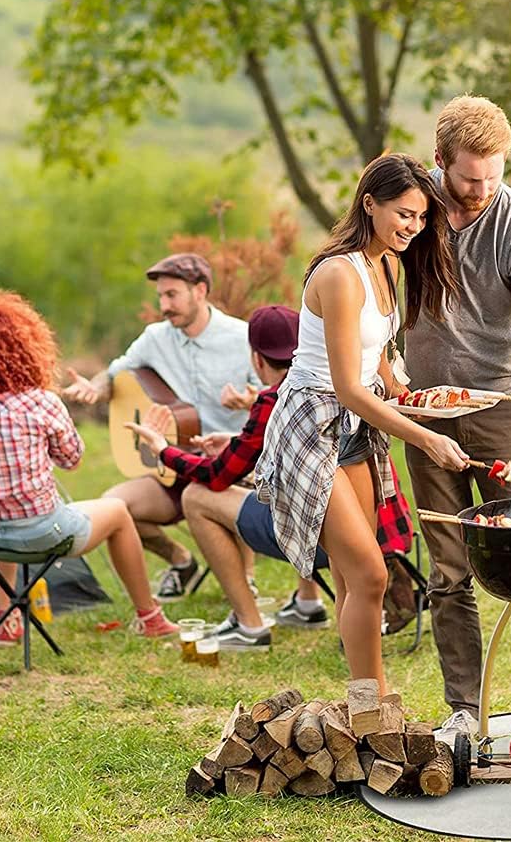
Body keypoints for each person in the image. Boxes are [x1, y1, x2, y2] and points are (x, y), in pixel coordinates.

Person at [254, 152, 467, 694]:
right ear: (370, 204)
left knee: (356, 576)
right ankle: (375, 703)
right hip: (312, 425)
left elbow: (374, 355)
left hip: (355, 427)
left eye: (421, 218)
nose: (413, 227)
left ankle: (362, 699)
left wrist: (406, 394)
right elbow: (347, 386)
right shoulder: (339, 274)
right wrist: (425, 437)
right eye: (404, 214)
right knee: (372, 574)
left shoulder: (388, 263)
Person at [404, 94, 511, 735]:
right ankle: (464, 714)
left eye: (494, 176)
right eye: (469, 178)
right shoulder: (411, 212)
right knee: (449, 571)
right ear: (440, 160)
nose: (482, 191)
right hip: (425, 414)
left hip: (504, 410)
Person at [0, 290, 178, 645]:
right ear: (28, 348)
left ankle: (7, 620)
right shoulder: (42, 403)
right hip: (44, 533)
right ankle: (150, 617)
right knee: (118, 512)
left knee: (1, 514)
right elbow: (72, 460)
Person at [125, 303, 330, 649]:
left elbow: (217, 476)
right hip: (359, 533)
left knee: (196, 497)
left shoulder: (272, 399)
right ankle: (307, 604)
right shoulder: (327, 385)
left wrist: (162, 450)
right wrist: (236, 441)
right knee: (297, 480)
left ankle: (249, 625)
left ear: (257, 360)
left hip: (312, 540)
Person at [62, 253, 260, 599]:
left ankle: (245, 581)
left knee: (227, 494)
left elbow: (271, 396)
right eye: (160, 297)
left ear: (200, 291)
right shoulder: (155, 338)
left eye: (172, 295)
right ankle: (180, 561)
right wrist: (95, 387)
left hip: (229, 465)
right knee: (114, 507)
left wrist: (248, 400)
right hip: (174, 464)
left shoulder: (241, 337)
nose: (164, 306)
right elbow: (115, 374)